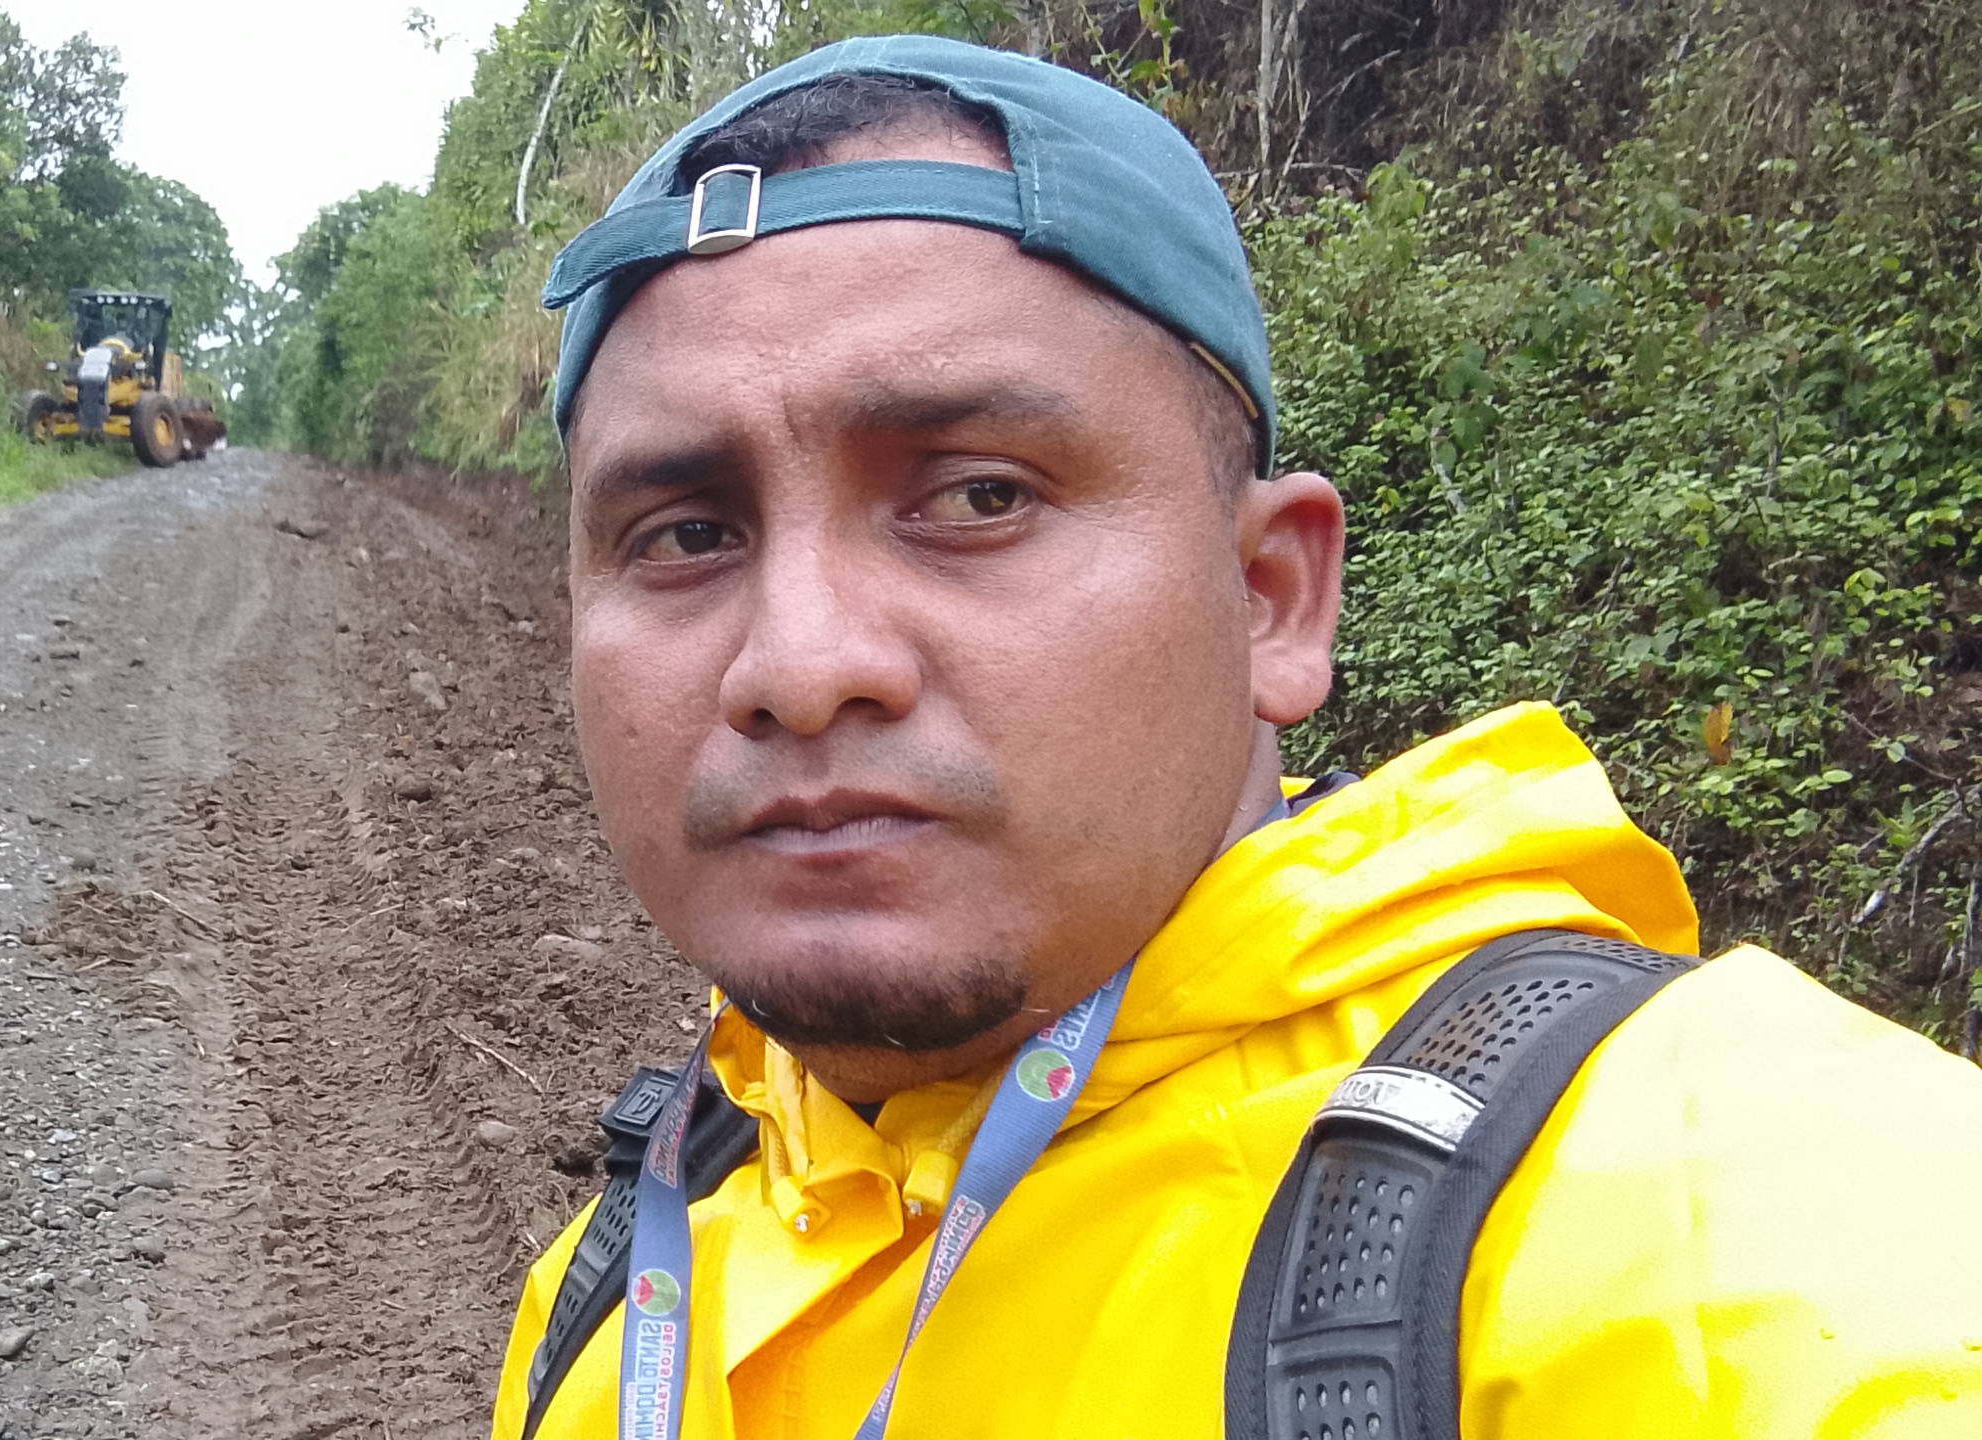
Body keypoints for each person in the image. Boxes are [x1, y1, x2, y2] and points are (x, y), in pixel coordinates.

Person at [492, 33, 1982, 1440]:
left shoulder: (1722, 1207)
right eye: (685, 533)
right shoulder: (615, 1291)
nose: (801, 666)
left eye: (979, 496)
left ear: (1271, 598)